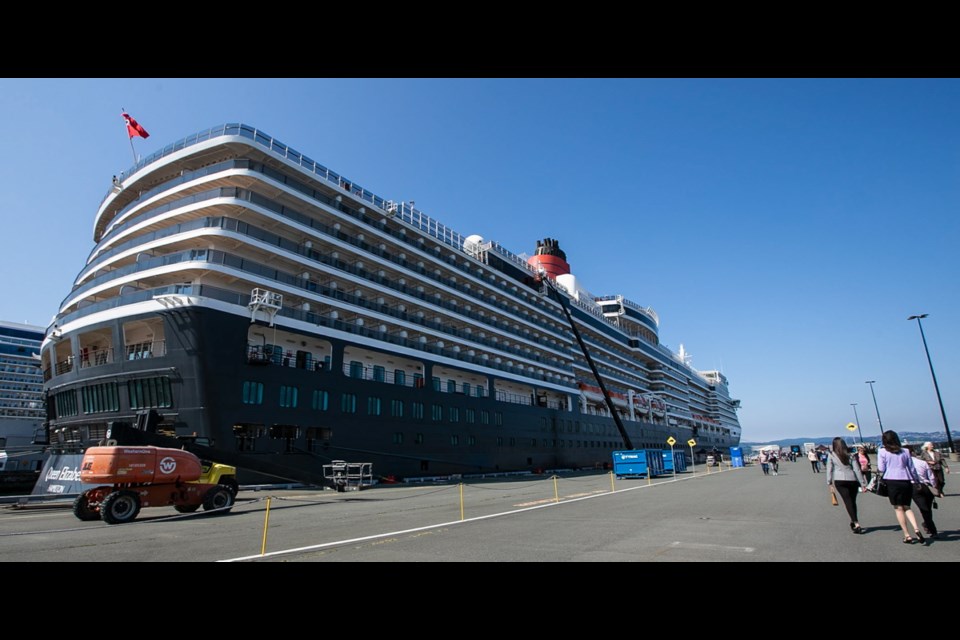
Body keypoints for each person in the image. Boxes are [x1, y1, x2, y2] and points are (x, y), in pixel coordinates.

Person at [877, 430, 924, 544]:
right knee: (907, 507)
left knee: (898, 508)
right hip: (905, 480)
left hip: (892, 480)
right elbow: (911, 468)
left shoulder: (882, 452)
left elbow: (881, 468)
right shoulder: (905, 451)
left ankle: (907, 534)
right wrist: (916, 481)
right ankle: (916, 529)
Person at [826, 437, 868, 534]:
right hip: (852, 479)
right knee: (852, 501)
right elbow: (857, 469)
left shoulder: (832, 455)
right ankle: (854, 520)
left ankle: (855, 522)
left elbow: (829, 469)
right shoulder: (850, 455)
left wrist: (829, 482)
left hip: (839, 480)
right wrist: (862, 483)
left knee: (847, 501)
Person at [910, 449, 942, 539]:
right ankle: (929, 525)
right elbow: (931, 476)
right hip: (927, 486)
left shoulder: (905, 465)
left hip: (914, 486)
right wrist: (934, 486)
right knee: (928, 508)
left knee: (924, 509)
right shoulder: (922, 463)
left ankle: (930, 526)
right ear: (914, 453)